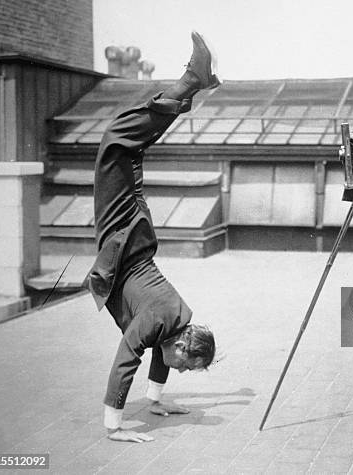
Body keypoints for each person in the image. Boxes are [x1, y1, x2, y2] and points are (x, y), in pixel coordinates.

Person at [83, 31, 220, 443]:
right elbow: (128, 358)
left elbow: (160, 352)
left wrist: (156, 400)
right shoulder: (160, 323)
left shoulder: (178, 323)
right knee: (115, 143)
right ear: (182, 348)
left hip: (136, 238)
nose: (178, 371)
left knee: (129, 150)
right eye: (184, 367)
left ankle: (191, 88)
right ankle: (190, 83)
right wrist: (116, 427)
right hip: (123, 239)